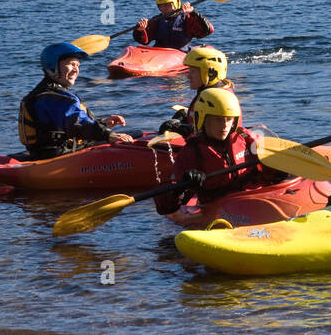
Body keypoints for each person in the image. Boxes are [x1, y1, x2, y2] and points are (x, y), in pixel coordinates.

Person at [152, 88, 284, 218]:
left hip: (258, 200)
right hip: (220, 208)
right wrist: (181, 186)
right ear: (203, 119)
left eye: (229, 119)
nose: (225, 125)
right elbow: (165, 207)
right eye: (217, 119)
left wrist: (278, 166)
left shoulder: (246, 137)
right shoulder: (192, 151)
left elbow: (274, 171)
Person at [18, 42, 134, 160]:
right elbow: (77, 124)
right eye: (71, 64)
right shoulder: (53, 99)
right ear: (53, 66)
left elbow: (68, 125)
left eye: (78, 65)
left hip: (52, 152)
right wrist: (108, 134)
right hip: (60, 156)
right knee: (134, 138)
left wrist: (104, 123)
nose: (76, 70)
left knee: (135, 134)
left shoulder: (43, 94)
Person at [157, 47, 235, 137]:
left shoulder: (221, 99)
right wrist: (186, 116)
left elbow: (216, 134)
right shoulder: (210, 93)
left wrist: (181, 128)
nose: (188, 76)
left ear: (210, 73)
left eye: (193, 72)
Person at [133, 0, 213, 50]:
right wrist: (140, 30)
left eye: (168, 5)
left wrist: (193, 12)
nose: (164, 9)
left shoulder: (186, 19)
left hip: (181, 54)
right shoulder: (157, 20)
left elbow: (207, 30)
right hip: (159, 54)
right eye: (161, 6)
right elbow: (143, 41)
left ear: (177, 3)